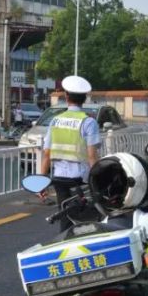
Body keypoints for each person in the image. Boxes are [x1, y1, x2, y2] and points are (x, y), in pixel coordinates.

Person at [39, 75, 101, 230]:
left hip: (59, 179)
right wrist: (99, 180)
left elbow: (46, 154)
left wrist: (41, 183)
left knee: (65, 218)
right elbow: (92, 156)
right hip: (80, 181)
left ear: (66, 97)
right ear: (85, 98)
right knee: (85, 220)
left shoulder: (55, 121)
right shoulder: (88, 122)